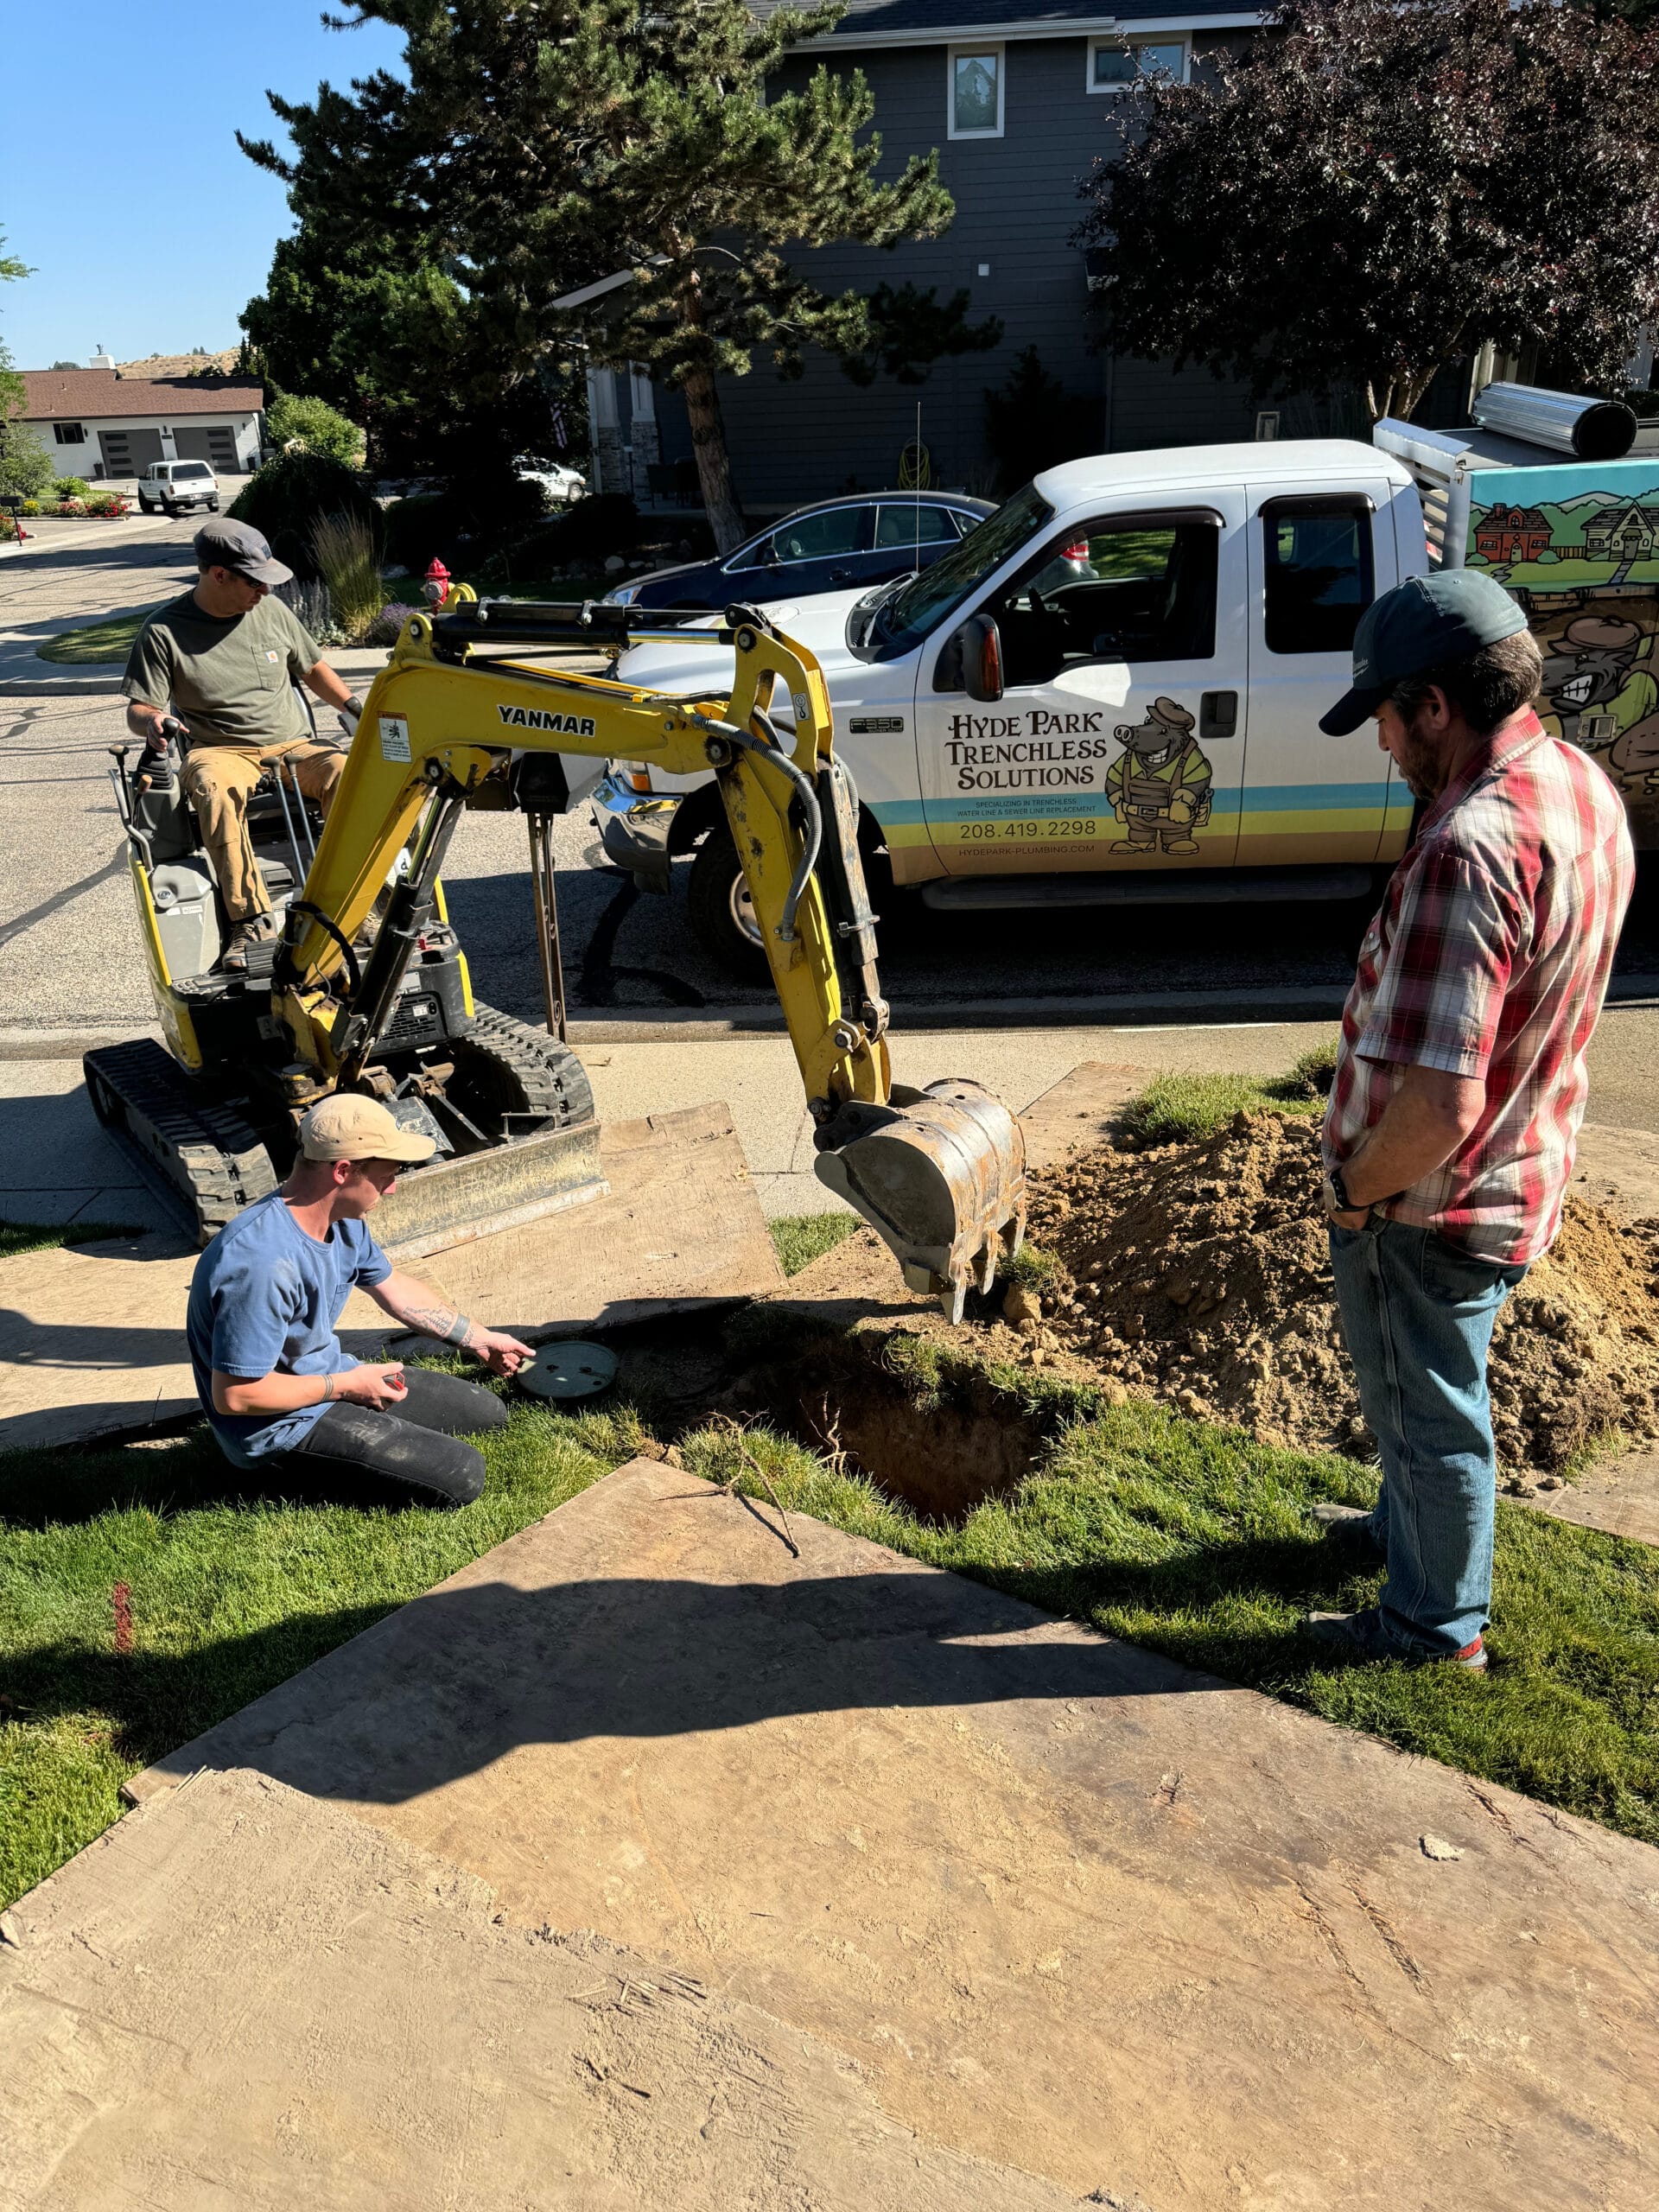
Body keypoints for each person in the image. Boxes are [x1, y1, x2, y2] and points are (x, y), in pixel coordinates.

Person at [1307, 569, 1634, 1669]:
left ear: (1436, 706)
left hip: (1430, 1207)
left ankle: (1432, 1628)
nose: (1383, 743)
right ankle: (1404, 1536)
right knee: (1427, 1399)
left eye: (1387, 718)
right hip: (1522, 1168)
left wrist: (1353, 1193)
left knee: (1430, 1415)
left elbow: (1444, 1100)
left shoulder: (1468, 847)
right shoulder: (1577, 782)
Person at [187, 1093, 533, 1506]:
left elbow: (392, 1286)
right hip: (273, 1426)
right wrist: (347, 1386)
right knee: (462, 1475)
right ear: (343, 1171)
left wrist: (477, 1338)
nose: (392, 1188)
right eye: (387, 1176)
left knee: (485, 1413)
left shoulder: (343, 1221)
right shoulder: (261, 1265)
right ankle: (281, 1476)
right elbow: (237, 1396)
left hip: (331, 1378)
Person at [121, 518, 359, 971]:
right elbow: (140, 708)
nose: (265, 591)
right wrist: (153, 721)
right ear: (219, 575)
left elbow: (312, 668)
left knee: (349, 774)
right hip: (220, 750)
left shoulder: (271, 612)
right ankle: (250, 922)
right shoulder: (163, 630)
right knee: (213, 788)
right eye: (255, 582)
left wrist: (353, 706)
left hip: (294, 745)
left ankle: (350, 904)